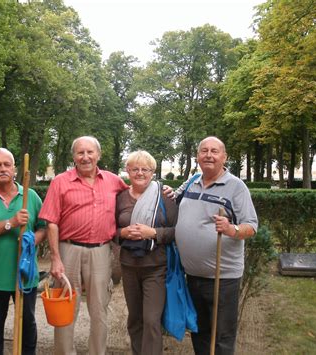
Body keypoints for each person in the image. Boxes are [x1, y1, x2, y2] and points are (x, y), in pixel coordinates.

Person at [39, 136, 128, 355]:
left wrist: (164, 192)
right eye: (80, 153)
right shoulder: (60, 181)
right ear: (74, 156)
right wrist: (56, 258)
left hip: (100, 251)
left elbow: (135, 195)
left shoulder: (113, 181)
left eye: (90, 152)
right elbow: (51, 222)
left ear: (99, 155)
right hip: (68, 251)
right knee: (66, 307)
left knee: (99, 309)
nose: (85, 157)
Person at [174, 136, 258, 355]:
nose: (208, 155)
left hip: (223, 277)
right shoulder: (192, 181)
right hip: (193, 276)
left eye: (214, 151)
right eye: (204, 151)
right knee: (199, 331)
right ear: (197, 157)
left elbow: (251, 226)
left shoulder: (236, 187)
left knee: (221, 335)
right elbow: (173, 200)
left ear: (224, 157)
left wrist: (232, 230)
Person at [0, 148, 46, 355]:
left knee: (27, 324)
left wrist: (32, 241)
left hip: (25, 275)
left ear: (15, 169)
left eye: (6, 164)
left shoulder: (29, 196)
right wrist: (11, 223)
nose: (2, 169)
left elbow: (43, 227)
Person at [115, 150, 177, 355]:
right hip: (129, 266)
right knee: (135, 318)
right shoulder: (120, 197)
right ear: (128, 171)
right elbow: (109, 230)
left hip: (156, 267)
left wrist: (154, 233)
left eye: (145, 169)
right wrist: (123, 232)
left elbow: (177, 231)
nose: (140, 173)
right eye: (135, 169)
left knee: (151, 320)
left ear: (153, 172)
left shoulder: (165, 197)